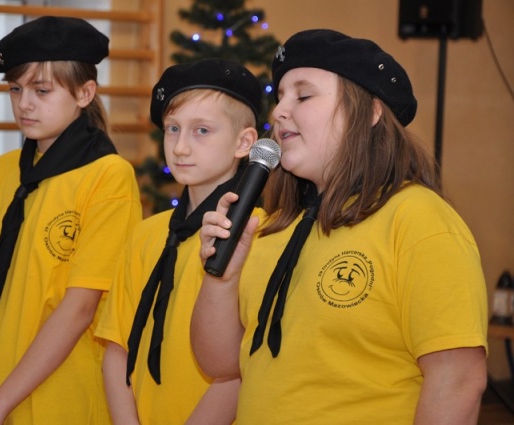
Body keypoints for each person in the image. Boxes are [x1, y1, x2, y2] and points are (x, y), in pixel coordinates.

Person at [191, 29, 488, 425]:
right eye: (279, 97)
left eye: (303, 96)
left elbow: (458, 380)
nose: (278, 112)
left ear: (370, 112)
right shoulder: (270, 228)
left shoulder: (417, 218)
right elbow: (222, 365)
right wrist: (222, 279)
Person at [0, 16, 141, 424]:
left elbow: (80, 308)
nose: (24, 103)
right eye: (15, 89)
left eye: (41, 91)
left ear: (84, 93)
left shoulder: (108, 176)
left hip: (63, 399)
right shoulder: (2, 173)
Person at [95, 58, 263, 424]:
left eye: (201, 130)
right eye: (173, 129)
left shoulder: (259, 234)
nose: (181, 147)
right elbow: (116, 347)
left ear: (243, 142)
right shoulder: (147, 233)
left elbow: (239, 367)